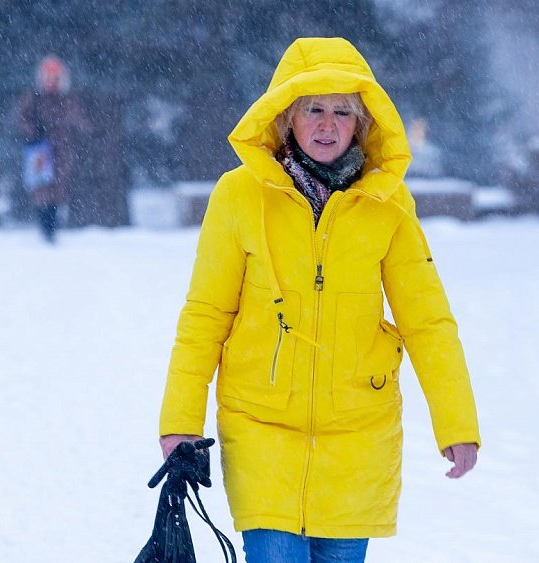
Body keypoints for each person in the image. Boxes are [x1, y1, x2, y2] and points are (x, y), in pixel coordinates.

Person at [158, 37, 481, 563]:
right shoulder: (238, 196)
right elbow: (205, 316)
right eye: (313, 108)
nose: (327, 125)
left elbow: (427, 321)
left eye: (341, 112)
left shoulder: (388, 204)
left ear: (362, 123)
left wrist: (458, 424)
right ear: (287, 116)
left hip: (358, 441)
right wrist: (179, 425)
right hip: (261, 431)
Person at [17, 55, 91, 242]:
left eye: (55, 78)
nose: (51, 82)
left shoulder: (67, 99)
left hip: (62, 150)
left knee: (58, 188)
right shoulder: (34, 98)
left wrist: (90, 129)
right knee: (41, 188)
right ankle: (44, 226)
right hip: (40, 150)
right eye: (48, 77)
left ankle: (52, 227)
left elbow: (79, 120)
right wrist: (33, 131)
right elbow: (22, 118)